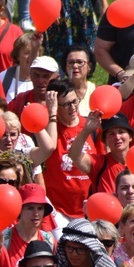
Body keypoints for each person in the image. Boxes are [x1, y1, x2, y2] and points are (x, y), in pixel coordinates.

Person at [43, 79, 97, 227]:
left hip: (89, 209)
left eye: (75, 101)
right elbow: (50, 146)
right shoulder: (49, 128)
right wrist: (51, 114)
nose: (72, 108)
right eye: (66, 104)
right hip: (58, 210)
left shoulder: (91, 126)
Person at [41, 0, 106, 69]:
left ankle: (82, 68)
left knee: (85, 34)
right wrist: (52, 7)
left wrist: (104, 3)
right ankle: (62, 69)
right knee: (61, 35)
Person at [0, 184, 55, 267]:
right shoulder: (4, 239)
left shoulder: (49, 240)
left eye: (40, 208)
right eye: (30, 208)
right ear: (19, 210)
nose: (36, 213)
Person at [68, 111, 132, 195]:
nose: (117, 137)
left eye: (121, 132)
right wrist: (86, 130)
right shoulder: (100, 164)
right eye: (111, 134)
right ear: (105, 141)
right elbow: (74, 155)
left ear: (130, 137)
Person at [0, 33, 36, 102]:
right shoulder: (4, 77)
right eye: (27, 53)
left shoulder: (43, 79)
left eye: (34, 52)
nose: (31, 57)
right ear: (17, 55)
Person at [63, 45, 97, 117]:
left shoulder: (97, 91)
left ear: (89, 66)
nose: (75, 66)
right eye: (71, 62)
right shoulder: (59, 92)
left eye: (80, 62)